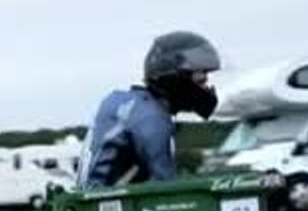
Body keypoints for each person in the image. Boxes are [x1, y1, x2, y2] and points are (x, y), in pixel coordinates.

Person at [76, 31, 222, 188]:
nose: (206, 86)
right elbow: (166, 188)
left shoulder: (125, 103)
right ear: (177, 78)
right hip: (109, 205)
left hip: (91, 201)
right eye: (201, 78)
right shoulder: (152, 119)